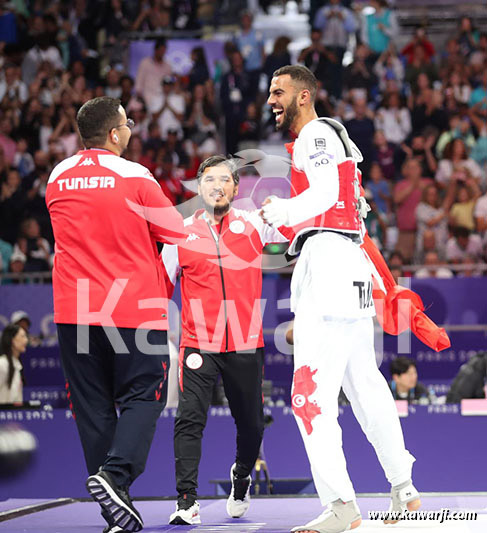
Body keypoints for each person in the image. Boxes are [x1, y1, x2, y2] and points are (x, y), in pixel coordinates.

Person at [263, 65, 420, 533]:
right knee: (365, 385)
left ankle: (340, 505)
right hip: (347, 262)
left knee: (309, 394)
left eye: (280, 91)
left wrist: (283, 210)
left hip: (330, 262)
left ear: (305, 95)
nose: (271, 99)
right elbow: (343, 203)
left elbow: (325, 194)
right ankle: (404, 488)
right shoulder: (334, 137)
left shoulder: (314, 135)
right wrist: (276, 222)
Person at [45, 96, 185, 533]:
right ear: (113, 133)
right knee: (145, 395)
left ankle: (115, 508)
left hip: (74, 309)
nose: (130, 130)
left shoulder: (57, 176)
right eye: (127, 124)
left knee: (92, 407)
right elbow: (175, 232)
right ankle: (115, 477)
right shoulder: (135, 175)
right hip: (131, 308)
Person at [161, 155, 287, 525]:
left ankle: (242, 476)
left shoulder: (254, 225)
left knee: (251, 424)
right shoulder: (180, 233)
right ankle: (186, 501)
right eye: (209, 180)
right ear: (199, 189)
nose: (217, 186)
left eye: (225, 180)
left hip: (245, 342)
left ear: (235, 188)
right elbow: (160, 286)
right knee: (189, 419)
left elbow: (297, 229)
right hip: (198, 342)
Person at [0, 324, 28, 404]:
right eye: (22, 336)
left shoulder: (17, 364)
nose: (26, 340)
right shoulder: (2, 364)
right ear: (12, 340)